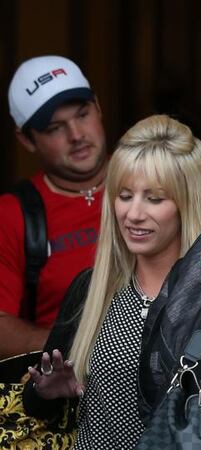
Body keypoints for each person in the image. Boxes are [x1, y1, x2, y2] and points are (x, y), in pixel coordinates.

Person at [21, 115, 201, 449]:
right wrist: (46, 390)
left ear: (187, 204)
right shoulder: (92, 290)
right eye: (125, 196)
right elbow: (36, 404)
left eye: (154, 199)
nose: (134, 214)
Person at [0, 55, 108, 359]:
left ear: (98, 107)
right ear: (27, 140)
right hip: (68, 394)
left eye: (83, 114)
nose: (77, 135)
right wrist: (84, 344)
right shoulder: (12, 215)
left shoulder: (160, 178)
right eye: (54, 128)